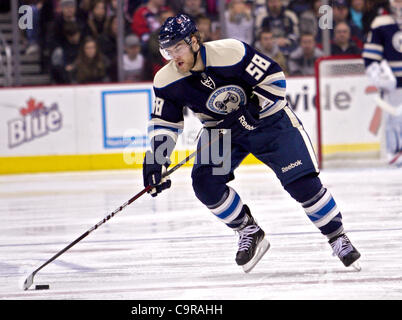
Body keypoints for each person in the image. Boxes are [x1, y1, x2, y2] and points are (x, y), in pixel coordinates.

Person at [142, 14, 361, 273]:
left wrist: (253, 108)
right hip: (221, 131)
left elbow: (275, 79)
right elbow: (165, 123)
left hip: (269, 121)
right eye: (167, 51)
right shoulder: (165, 80)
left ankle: (337, 237)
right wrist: (156, 159)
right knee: (205, 185)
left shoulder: (231, 52)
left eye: (177, 47)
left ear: (193, 41)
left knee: (303, 186)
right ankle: (249, 230)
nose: (173, 56)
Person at [363, 0, 402, 165]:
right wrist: (378, 76)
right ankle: (395, 152)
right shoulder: (381, 23)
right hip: (395, 84)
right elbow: (371, 57)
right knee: (395, 117)